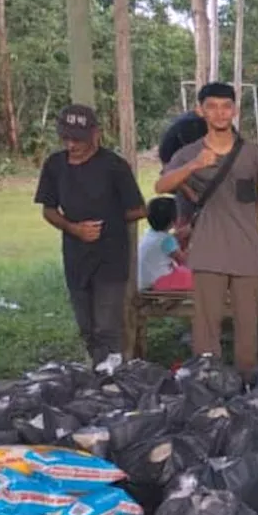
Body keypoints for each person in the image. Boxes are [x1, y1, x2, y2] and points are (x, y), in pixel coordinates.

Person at [157, 82, 258, 378]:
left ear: (234, 110)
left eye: (226, 106)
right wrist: (194, 166)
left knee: (249, 327)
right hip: (208, 252)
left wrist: (246, 225)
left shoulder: (254, 154)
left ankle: (246, 383)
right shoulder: (187, 154)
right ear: (201, 110)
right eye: (212, 106)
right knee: (206, 328)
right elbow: (161, 186)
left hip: (247, 252)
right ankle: (208, 385)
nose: (220, 113)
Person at [35, 105, 146, 368]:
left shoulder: (114, 166)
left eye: (78, 139)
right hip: (75, 256)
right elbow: (48, 210)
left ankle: (114, 374)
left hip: (110, 255)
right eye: (66, 139)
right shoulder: (55, 165)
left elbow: (138, 209)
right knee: (86, 325)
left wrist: (107, 221)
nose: (72, 145)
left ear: (95, 134)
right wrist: (73, 228)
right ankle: (99, 371)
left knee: (107, 324)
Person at [137, 197, 192, 292]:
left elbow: (173, 237)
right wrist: (191, 248)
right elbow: (183, 260)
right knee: (194, 276)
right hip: (159, 281)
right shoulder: (167, 240)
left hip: (142, 281)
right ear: (173, 221)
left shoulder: (148, 234)